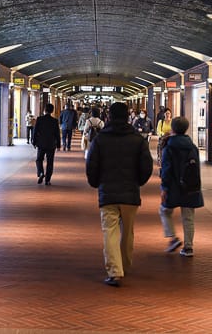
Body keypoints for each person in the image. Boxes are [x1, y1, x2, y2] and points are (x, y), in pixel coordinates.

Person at [85, 102, 154, 287]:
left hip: (107, 193)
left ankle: (115, 271)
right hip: (130, 193)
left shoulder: (100, 139)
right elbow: (147, 166)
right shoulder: (138, 140)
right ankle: (124, 264)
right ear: (127, 117)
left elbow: (91, 164)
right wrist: (138, 181)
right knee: (128, 232)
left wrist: (95, 182)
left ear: (109, 117)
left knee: (110, 231)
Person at [158, 116, 203, 257]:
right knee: (188, 217)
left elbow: (166, 169)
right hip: (190, 186)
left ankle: (173, 237)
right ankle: (188, 247)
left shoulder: (169, 146)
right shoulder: (193, 147)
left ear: (172, 128)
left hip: (173, 186)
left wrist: (164, 188)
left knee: (165, 211)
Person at [33, 103, 61, 185]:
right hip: (51, 144)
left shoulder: (39, 119)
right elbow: (57, 134)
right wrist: (58, 145)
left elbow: (35, 132)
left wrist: (34, 142)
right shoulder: (55, 121)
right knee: (50, 162)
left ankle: (41, 172)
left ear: (44, 110)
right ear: (52, 111)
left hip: (41, 143)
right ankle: (47, 180)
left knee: (39, 159)